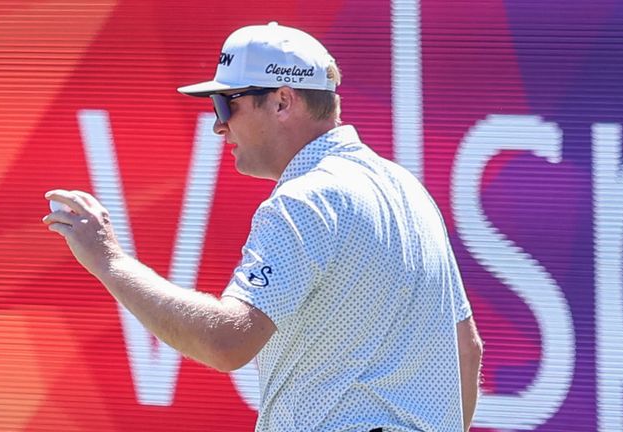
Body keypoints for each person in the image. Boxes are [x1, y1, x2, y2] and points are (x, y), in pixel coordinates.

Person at [43, 22, 482, 432]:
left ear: (282, 101)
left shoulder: (306, 197)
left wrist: (110, 261)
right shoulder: (406, 188)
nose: (218, 124)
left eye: (225, 103)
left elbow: (226, 341)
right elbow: (466, 351)